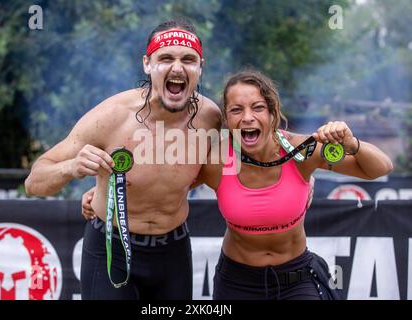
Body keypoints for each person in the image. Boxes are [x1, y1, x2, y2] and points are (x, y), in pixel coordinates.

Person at [84, 69, 393, 300]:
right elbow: (163, 183)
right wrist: (103, 192)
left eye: (258, 107)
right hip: (237, 283)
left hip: (297, 280)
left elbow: (379, 168)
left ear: (273, 113)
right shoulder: (216, 160)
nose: (247, 117)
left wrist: (353, 143)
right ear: (227, 120)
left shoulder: (301, 152)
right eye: (236, 110)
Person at [25, 18, 222, 300]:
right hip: (111, 248)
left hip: (173, 251)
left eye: (188, 60)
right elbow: (34, 181)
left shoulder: (210, 118)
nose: (177, 68)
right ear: (147, 64)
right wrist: (72, 167)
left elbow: (218, 172)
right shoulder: (113, 116)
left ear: (200, 68)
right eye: (165, 58)